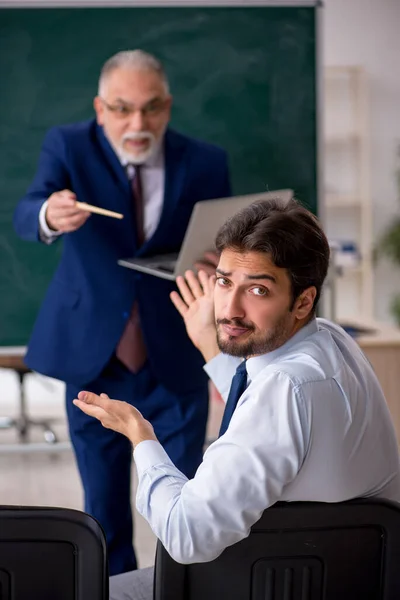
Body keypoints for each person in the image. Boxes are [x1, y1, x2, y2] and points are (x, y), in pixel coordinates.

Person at [73, 197, 400, 600]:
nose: (228, 309)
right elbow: (266, 411)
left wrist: (141, 437)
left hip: (257, 580)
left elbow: (186, 535)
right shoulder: (330, 340)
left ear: (302, 301)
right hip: (343, 579)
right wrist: (211, 347)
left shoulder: (285, 389)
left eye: (258, 290)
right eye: (225, 282)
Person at [13, 49, 231, 576]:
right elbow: (26, 213)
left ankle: (181, 590)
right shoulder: (67, 145)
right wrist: (49, 213)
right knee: (104, 510)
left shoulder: (204, 161)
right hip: (94, 359)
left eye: (152, 108)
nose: (138, 123)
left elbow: (228, 242)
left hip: (176, 357)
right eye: (122, 108)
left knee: (185, 503)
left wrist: (219, 258)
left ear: (169, 107)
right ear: (100, 108)